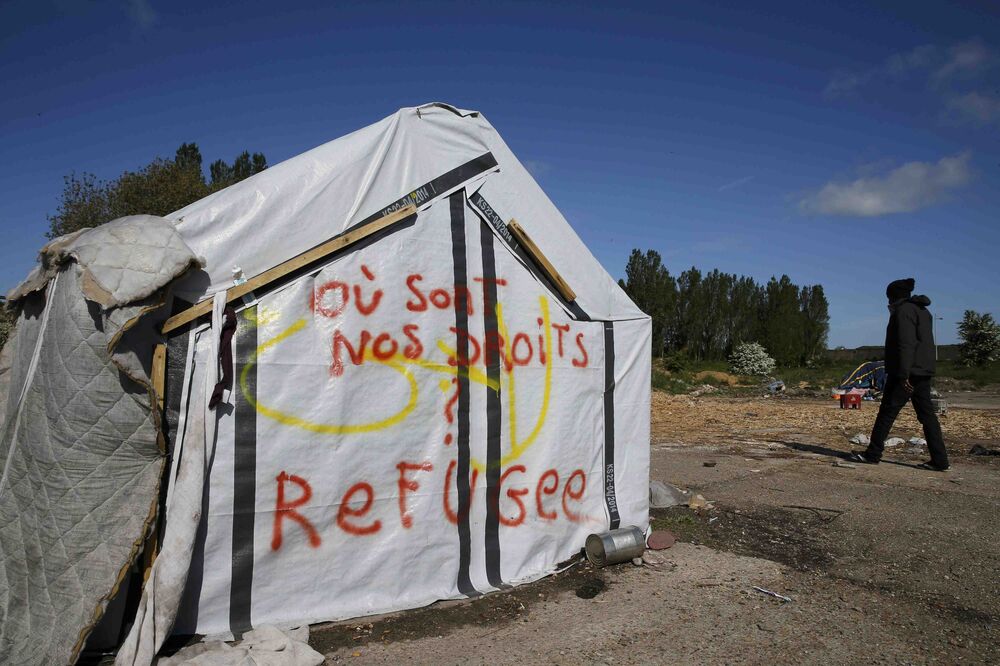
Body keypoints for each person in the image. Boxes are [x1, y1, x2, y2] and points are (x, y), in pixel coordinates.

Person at [849, 278, 950, 471]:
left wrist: (903, 375)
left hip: (906, 371)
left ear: (894, 296)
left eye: (889, 297)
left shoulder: (903, 312)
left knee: (887, 413)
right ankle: (940, 460)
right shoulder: (923, 311)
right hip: (923, 370)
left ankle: (873, 454)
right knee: (927, 416)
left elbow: (905, 344)